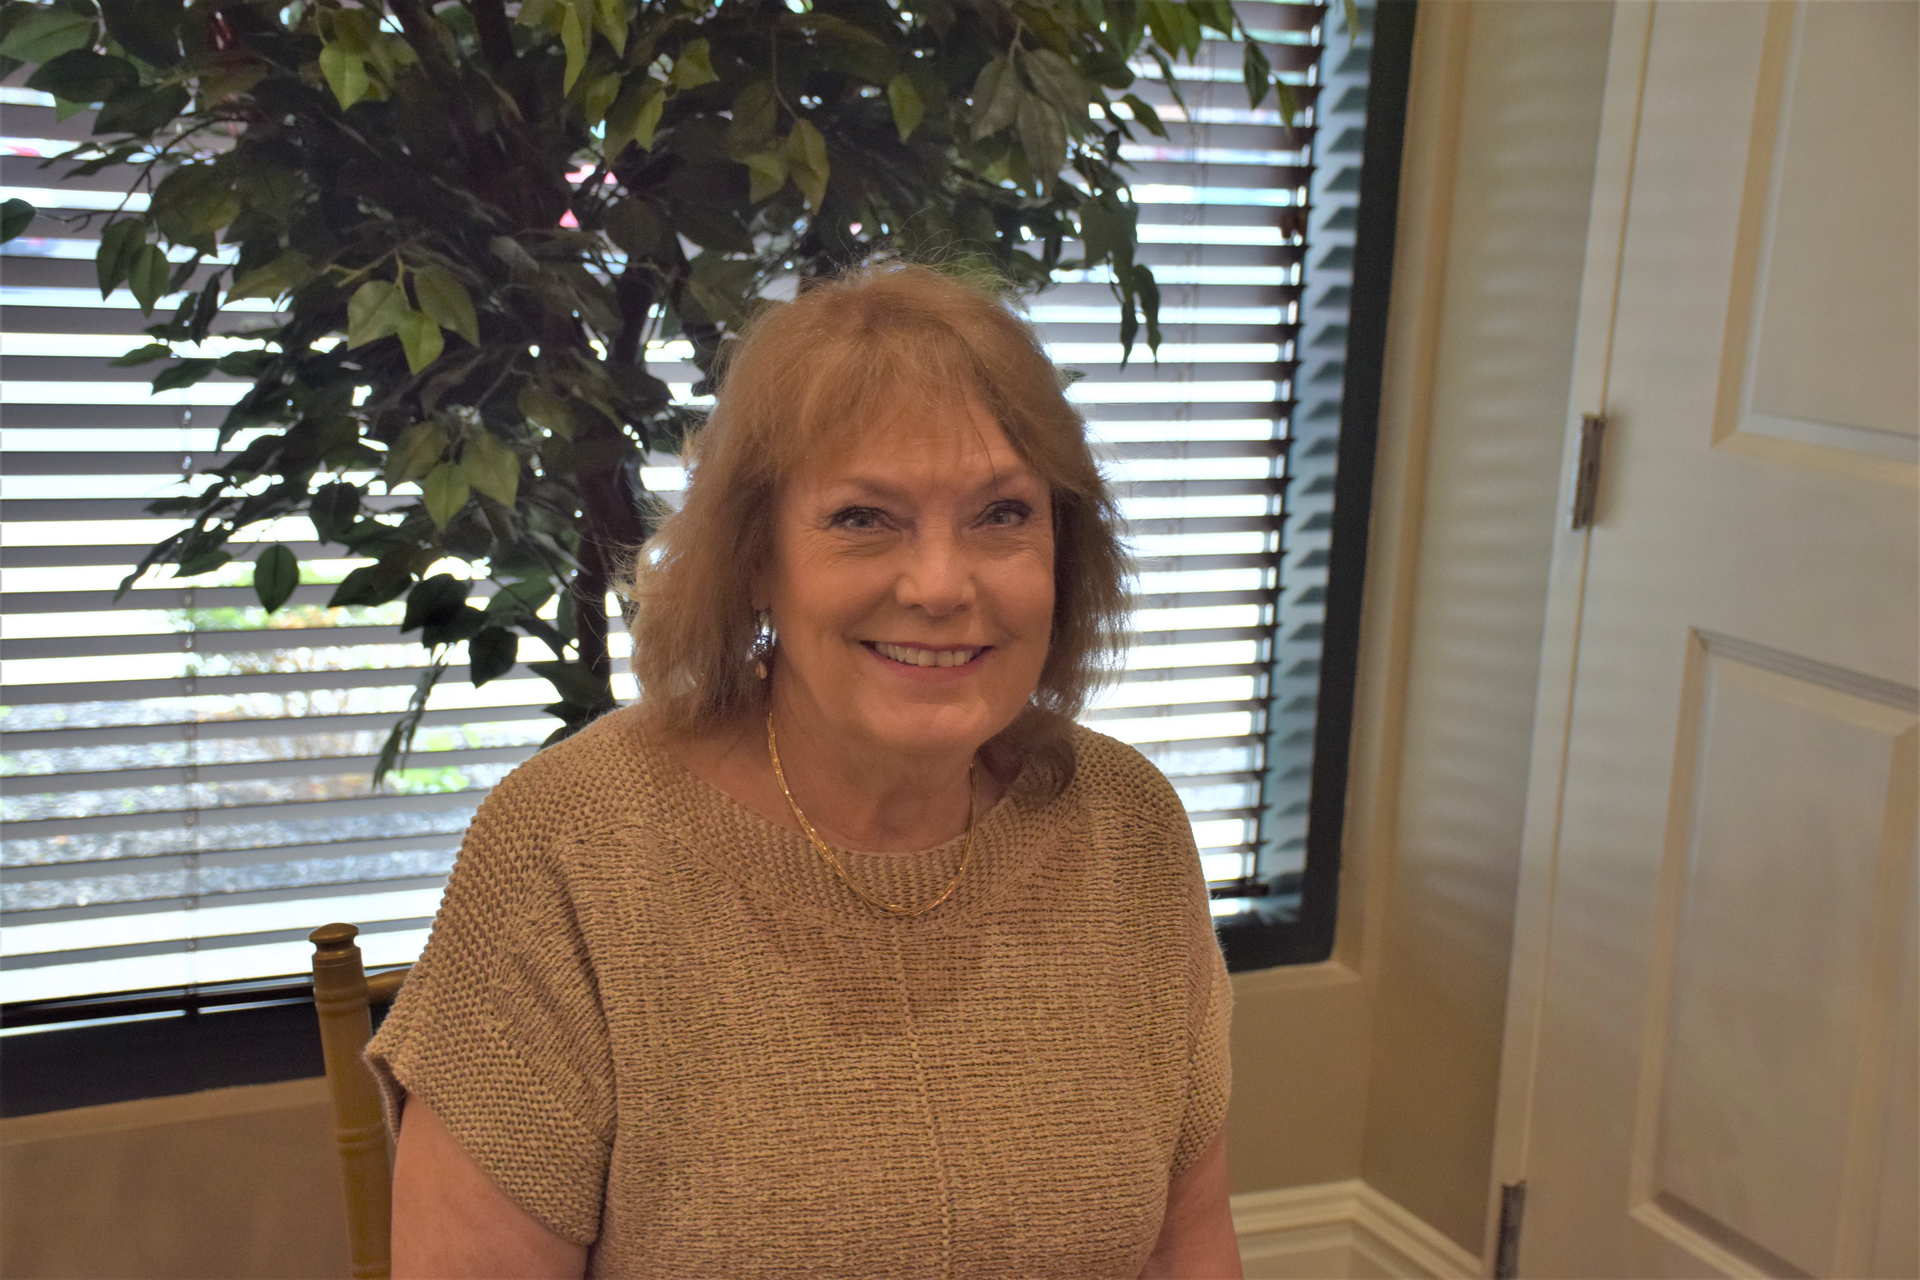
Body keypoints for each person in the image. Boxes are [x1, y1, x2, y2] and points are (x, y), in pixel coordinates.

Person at [368, 263, 1240, 1279]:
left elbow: (1188, 1245)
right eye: (864, 517)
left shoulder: (1126, 825)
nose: (940, 584)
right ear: (755, 559)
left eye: (1002, 514)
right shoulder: (571, 849)